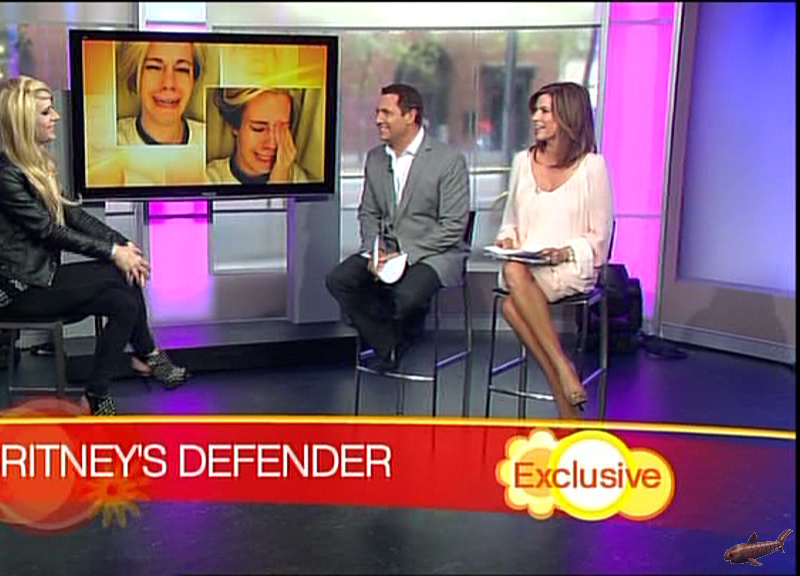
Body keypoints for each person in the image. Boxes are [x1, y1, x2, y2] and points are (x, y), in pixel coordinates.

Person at [0, 76, 189, 416]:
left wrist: (121, 244)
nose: (56, 117)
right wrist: (113, 253)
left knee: (123, 299)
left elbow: (72, 214)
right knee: (117, 274)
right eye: (46, 112)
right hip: (16, 291)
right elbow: (49, 231)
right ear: (22, 122)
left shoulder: (34, 166)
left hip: (38, 278)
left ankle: (97, 394)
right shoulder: (4, 177)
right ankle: (147, 355)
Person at [325, 83, 470, 373]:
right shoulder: (375, 159)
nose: (378, 120)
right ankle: (390, 343)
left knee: (402, 296)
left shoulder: (448, 161)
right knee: (339, 280)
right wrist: (374, 250)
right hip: (386, 250)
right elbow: (368, 212)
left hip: (434, 252)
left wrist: (405, 254)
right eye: (377, 112)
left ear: (410, 115)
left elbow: (453, 226)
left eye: (386, 113)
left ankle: (392, 337)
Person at [494, 81, 613, 419]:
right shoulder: (522, 161)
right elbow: (509, 222)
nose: (536, 117)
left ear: (568, 117)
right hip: (526, 265)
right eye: (536, 110)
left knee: (511, 305)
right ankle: (563, 370)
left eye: (545, 111)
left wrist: (565, 251)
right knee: (513, 273)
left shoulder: (592, 167)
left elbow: (600, 238)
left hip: (569, 266)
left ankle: (560, 377)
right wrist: (508, 239)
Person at [206, 88, 311, 184]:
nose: (272, 144)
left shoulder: (298, 178)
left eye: (282, 130)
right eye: (259, 129)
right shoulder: (209, 179)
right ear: (234, 126)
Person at [116, 41, 205, 146]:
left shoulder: (207, 140)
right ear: (135, 75)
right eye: (154, 67)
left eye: (182, 69)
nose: (168, 84)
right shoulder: (108, 139)